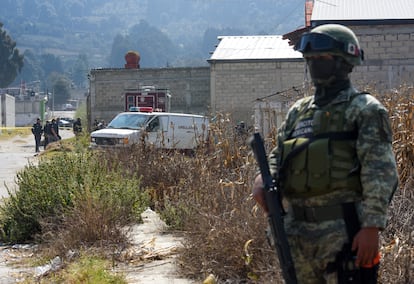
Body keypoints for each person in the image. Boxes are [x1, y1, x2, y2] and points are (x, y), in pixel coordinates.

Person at [252, 24, 398, 283]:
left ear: (344, 62)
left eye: (323, 58)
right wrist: (263, 179)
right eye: (310, 59)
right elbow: (279, 155)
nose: (315, 64)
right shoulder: (299, 111)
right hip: (296, 234)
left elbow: (380, 171)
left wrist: (372, 227)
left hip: (343, 234)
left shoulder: (364, 110)